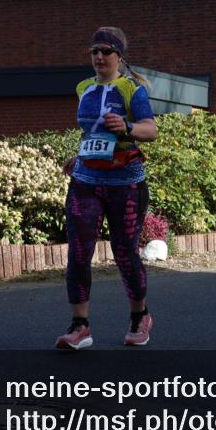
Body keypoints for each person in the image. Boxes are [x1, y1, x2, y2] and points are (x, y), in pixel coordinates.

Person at [56, 27, 158, 350]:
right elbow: (93, 133)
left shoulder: (132, 90)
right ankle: (80, 326)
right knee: (78, 253)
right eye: (94, 51)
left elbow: (151, 130)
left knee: (125, 253)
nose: (99, 57)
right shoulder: (83, 88)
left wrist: (127, 126)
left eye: (106, 52)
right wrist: (81, 154)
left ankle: (140, 317)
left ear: (119, 56)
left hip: (125, 182)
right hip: (86, 181)